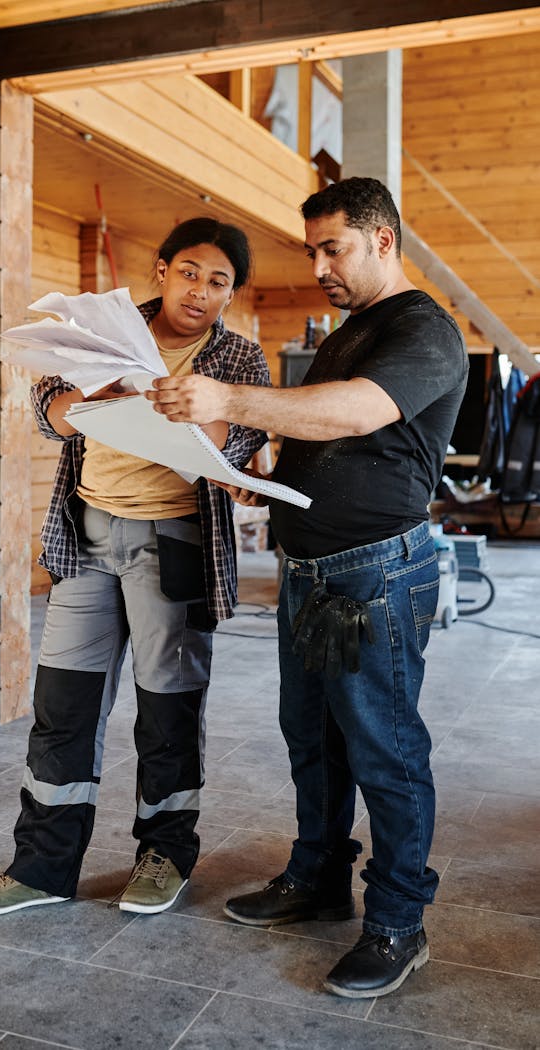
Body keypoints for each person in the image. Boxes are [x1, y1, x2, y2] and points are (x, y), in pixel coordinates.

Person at [146, 178, 469, 997]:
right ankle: (318, 880)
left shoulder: (426, 329)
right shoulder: (351, 330)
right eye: (313, 250)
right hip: (308, 570)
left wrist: (225, 396)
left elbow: (357, 413)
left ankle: (399, 922)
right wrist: (263, 477)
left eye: (336, 249)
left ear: (384, 240)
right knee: (312, 742)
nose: (320, 265)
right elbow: (318, 433)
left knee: (385, 751)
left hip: (375, 576)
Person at [0, 217, 271, 917]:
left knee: (168, 710)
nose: (200, 290)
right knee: (63, 709)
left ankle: (164, 856)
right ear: (162, 269)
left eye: (219, 282)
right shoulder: (106, 333)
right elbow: (50, 413)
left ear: (230, 295)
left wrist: (188, 404)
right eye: (189, 271)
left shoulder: (241, 360)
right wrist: (96, 399)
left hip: (176, 547)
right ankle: (41, 867)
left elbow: (241, 436)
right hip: (86, 542)